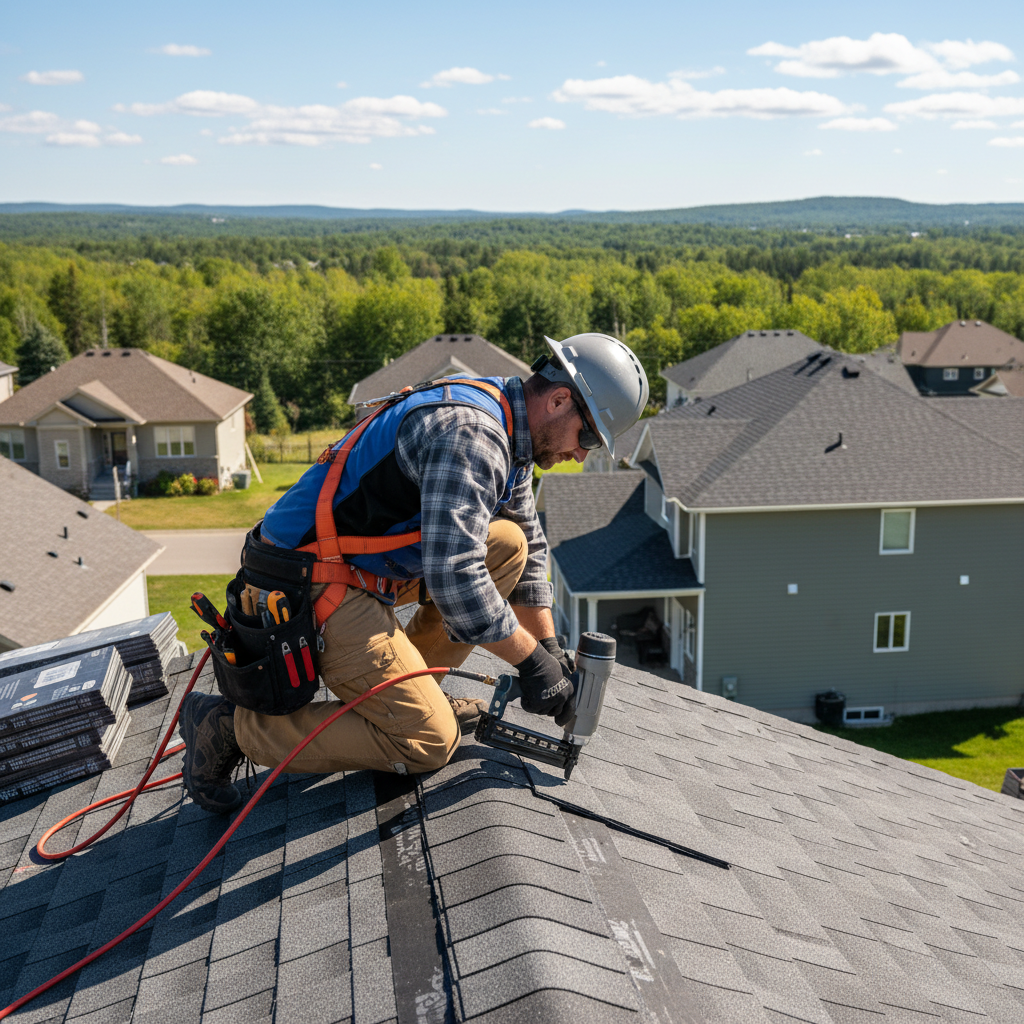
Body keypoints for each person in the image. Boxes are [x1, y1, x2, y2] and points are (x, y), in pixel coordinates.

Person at [179, 333, 649, 813]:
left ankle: (405, 692)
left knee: (509, 544)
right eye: (587, 436)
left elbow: (526, 551)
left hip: (352, 567)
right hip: (306, 582)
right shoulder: (474, 435)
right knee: (429, 740)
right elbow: (458, 579)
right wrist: (531, 664)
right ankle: (230, 728)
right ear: (559, 399)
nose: (582, 454)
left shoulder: (508, 424)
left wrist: (547, 647)